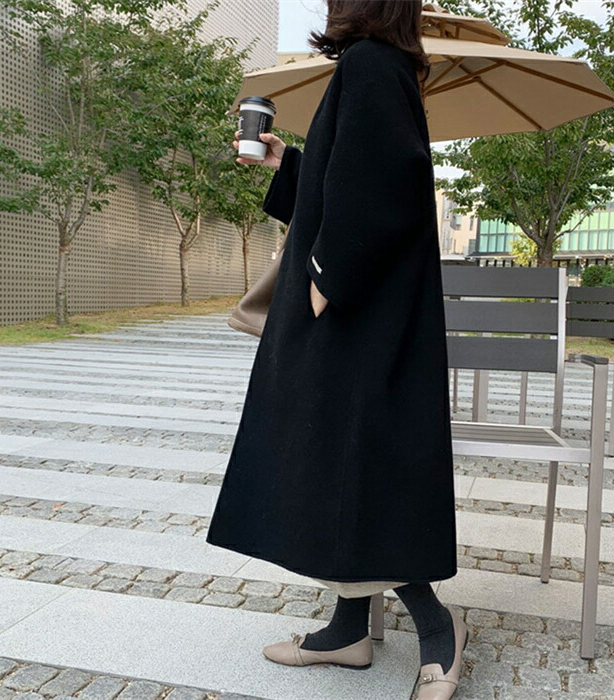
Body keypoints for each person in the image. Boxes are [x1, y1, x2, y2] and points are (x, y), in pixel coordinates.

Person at [206, 1, 467, 698]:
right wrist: (288, 161)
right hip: (362, 318)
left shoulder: (372, 65)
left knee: (357, 468)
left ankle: (437, 626)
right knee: (341, 469)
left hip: (356, 319)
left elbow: (387, 183)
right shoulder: (375, 67)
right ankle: (349, 631)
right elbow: (345, 180)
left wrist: (326, 279)